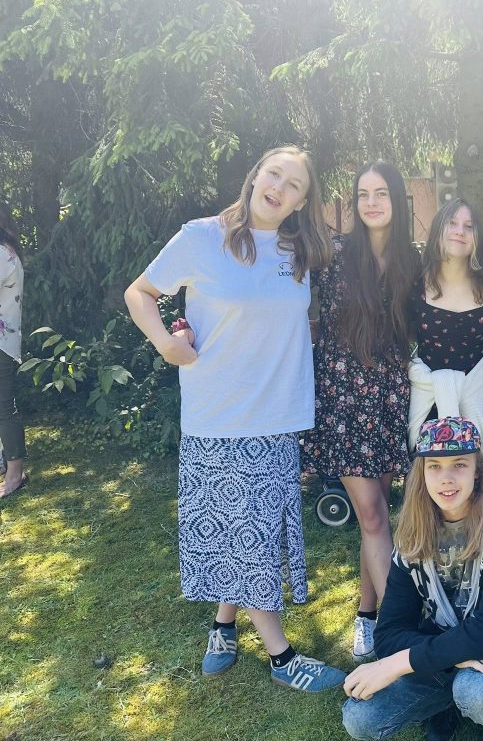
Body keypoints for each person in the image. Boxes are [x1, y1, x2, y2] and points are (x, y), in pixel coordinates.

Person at [124, 145, 345, 692]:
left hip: (277, 416)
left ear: (302, 202)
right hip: (219, 415)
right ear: (255, 176)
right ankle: (281, 656)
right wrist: (165, 343)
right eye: (275, 174)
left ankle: (224, 624)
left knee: (252, 531)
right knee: (245, 532)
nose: (280, 188)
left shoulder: (297, 251)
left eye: (294, 185)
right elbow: (140, 292)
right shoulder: (201, 237)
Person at [341, 416, 483, 741]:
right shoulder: (413, 530)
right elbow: (388, 634)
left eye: (459, 465)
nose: (447, 478)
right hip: (443, 645)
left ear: (478, 470)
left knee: (476, 691)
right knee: (360, 718)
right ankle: (446, 703)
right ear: (422, 473)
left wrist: (397, 664)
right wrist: (458, 653)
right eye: (434, 467)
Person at [302, 161, 420, 662]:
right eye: (363, 194)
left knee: (379, 516)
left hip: (390, 395)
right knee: (370, 513)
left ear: (397, 200)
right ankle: (397, 630)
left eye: (381, 193)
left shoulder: (411, 261)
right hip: (343, 398)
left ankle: (366, 614)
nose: (371, 203)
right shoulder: (333, 255)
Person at [408, 199, 483, 480]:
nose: (460, 231)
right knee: (431, 480)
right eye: (452, 223)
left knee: (481, 475)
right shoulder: (416, 283)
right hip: (429, 395)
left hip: (477, 391)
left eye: (468, 226)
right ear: (439, 229)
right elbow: (399, 332)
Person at [0, 200, 26, 499]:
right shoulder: (8, 251)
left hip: (2, 343)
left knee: (4, 407)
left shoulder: (2, 254)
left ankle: (15, 474)